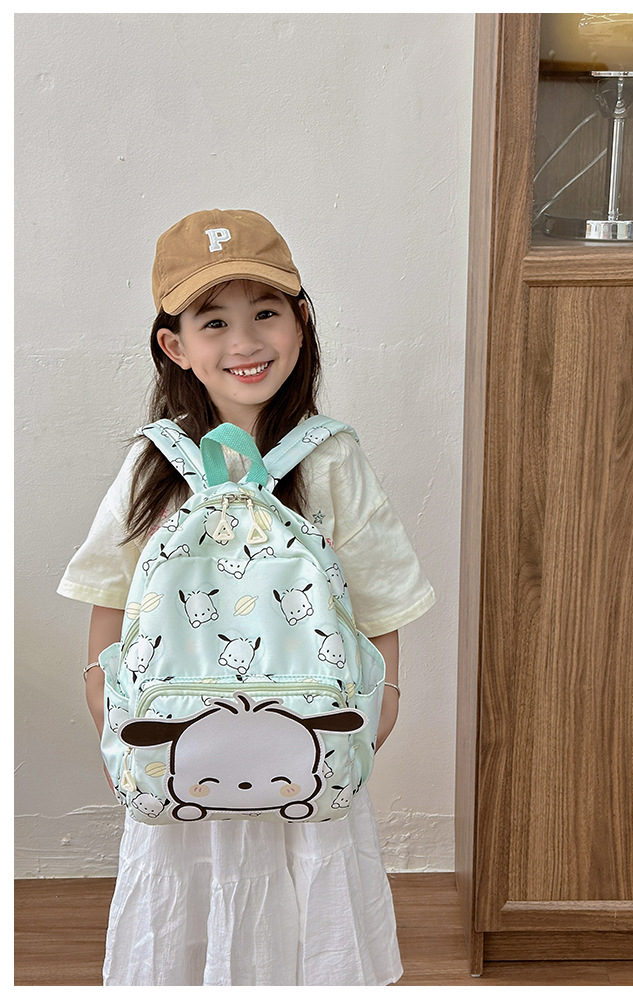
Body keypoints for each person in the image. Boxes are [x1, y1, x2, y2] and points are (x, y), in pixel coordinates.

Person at [57, 208, 435, 986]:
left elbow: (380, 600)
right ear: (175, 346)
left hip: (308, 749)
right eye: (214, 321)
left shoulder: (330, 457)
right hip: (176, 749)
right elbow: (110, 597)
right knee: (183, 909)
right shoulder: (151, 463)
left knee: (306, 894)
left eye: (266, 312)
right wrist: (107, 707)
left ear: (301, 322)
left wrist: (381, 708)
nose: (244, 342)